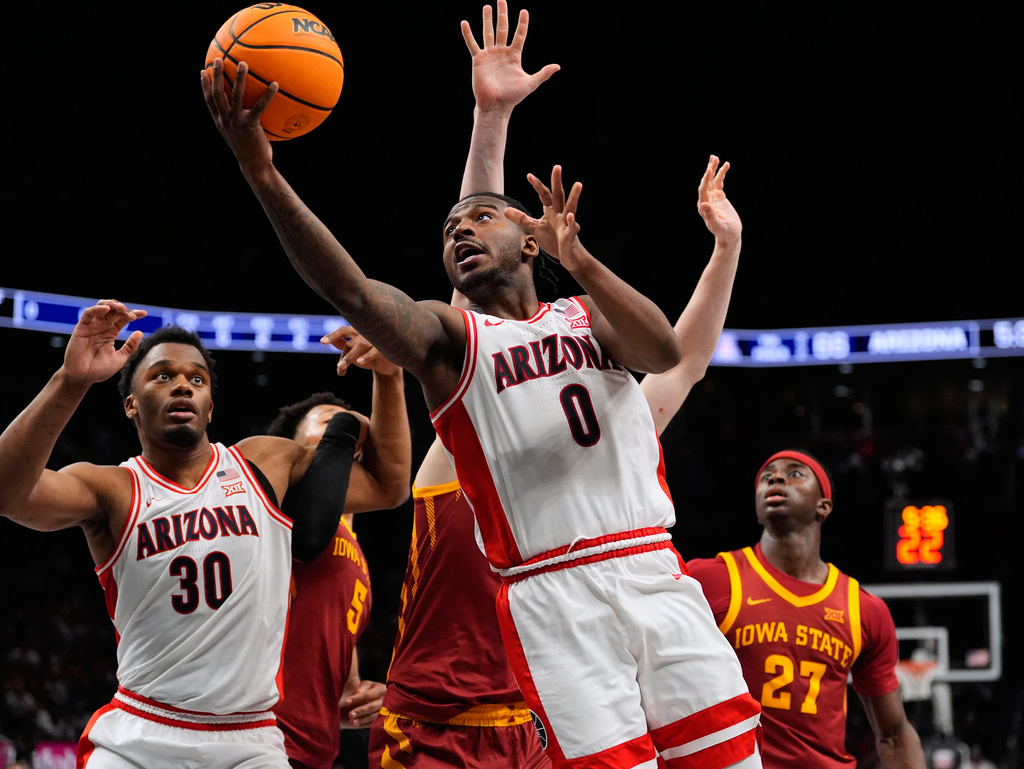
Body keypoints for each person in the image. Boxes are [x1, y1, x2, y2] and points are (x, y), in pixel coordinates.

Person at [201, 3, 763, 763]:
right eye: (445, 234)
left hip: (631, 583)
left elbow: (674, 354)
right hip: (515, 636)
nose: (458, 231)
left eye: (479, 223)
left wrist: (717, 249)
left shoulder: (598, 351)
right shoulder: (460, 354)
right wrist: (263, 174)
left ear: (533, 239)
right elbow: (364, 293)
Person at [0, 305, 373, 768]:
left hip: (249, 737)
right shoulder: (113, 488)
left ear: (211, 405)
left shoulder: (260, 466)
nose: (182, 384)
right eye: (161, 376)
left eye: (197, 379)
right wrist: (70, 381)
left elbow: (390, 483)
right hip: (142, 730)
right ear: (131, 403)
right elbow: (8, 492)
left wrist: (387, 384)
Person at [686, 450, 926, 768]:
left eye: (795, 473)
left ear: (823, 505)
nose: (776, 477)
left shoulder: (863, 609)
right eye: (766, 476)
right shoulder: (708, 578)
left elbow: (894, 734)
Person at [267, 331, 411, 769]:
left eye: (348, 420)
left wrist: (358, 697)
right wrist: (388, 380)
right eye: (328, 420)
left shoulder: (354, 554)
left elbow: (339, 685)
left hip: (312, 750)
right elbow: (393, 483)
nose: (347, 425)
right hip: (257, 739)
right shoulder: (277, 498)